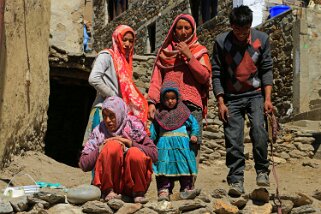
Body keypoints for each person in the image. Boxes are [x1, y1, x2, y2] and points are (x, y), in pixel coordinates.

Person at [212, 5, 273, 197]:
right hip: (231, 97)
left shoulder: (261, 39)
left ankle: (262, 170)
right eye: (237, 30)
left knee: (259, 130)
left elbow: (266, 69)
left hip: (255, 94)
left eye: (245, 31)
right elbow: (217, 73)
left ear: (250, 25)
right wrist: (221, 102)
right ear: (231, 26)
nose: (241, 35)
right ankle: (236, 180)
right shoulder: (221, 42)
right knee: (233, 139)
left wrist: (267, 99)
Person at [147, 14, 212, 179]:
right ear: (174, 31)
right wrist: (152, 102)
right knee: (166, 143)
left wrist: (189, 56)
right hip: (167, 106)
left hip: (191, 105)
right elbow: (156, 80)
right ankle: (166, 185)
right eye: (179, 28)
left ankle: (189, 184)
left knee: (192, 144)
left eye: (187, 28)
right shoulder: (165, 53)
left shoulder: (199, 51)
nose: (183, 32)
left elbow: (204, 77)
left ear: (192, 30)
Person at [79, 96, 157, 203]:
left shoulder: (134, 127)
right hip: (109, 189)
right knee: (112, 146)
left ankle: (137, 192)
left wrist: (129, 143)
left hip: (131, 189)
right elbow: (83, 164)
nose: (107, 120)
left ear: (120, 114)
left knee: (135, 153)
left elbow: (154, 154)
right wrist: (100, 149)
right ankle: (108, 190)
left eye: (112, 116)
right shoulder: (99, 132)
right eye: (105, 116)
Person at [83, 25, 148, 144]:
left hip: (117, 114)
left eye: (131, 41)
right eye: (124, 40)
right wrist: (113, 97)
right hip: (104, 110)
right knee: (98, 148)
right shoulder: (106, 56)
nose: (127, 44)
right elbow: (94, 78)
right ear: (117, 38)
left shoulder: (126, 63)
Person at [150, 81, 200, 201]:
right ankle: (164, 190)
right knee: (164, 168)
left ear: (177, 97)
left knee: (184, 166)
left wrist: (194, 134)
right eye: (167, 99)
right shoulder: (159, 114)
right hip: (164, 146)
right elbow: (153, 131)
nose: (170, 101)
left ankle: (186, 188)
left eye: (173, 98)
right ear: (162, 99)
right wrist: (150, 142)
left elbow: (194, 124)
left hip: (182, 146)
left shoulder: (183, 112)